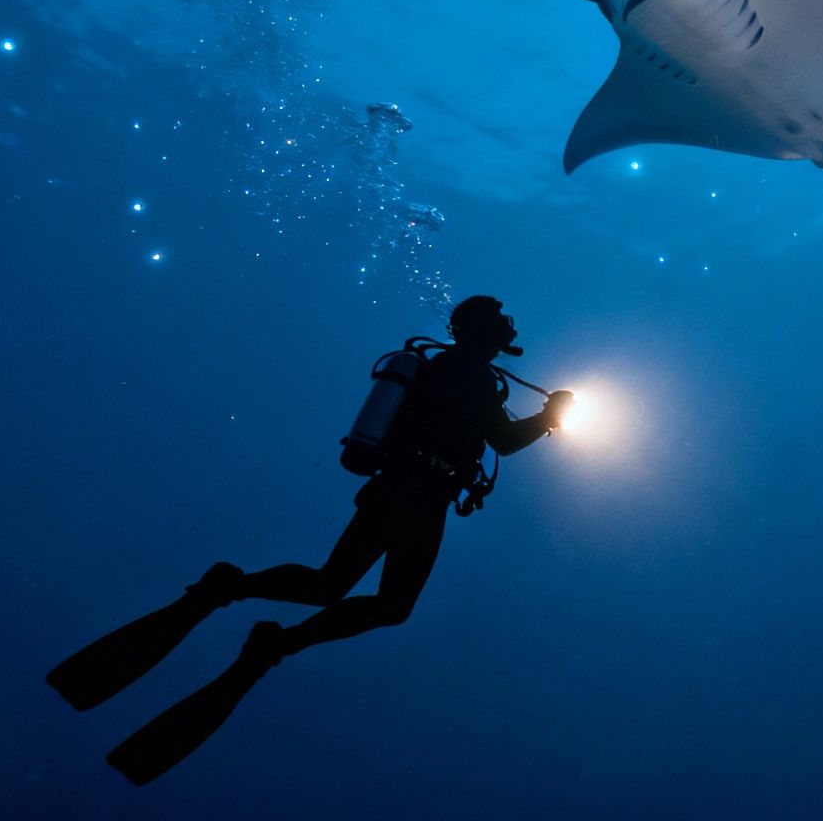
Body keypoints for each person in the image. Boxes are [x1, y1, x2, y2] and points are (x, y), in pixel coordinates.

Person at [47, 295, 571, 783]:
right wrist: (550, 417)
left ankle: (230, 592)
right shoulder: (471, 375)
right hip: (417, 495)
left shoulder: (449, 369)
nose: (511, 325)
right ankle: (271, 638)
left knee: (329, 583)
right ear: (483, 329)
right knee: (385, 604)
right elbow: (502, 439)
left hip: (399, 490)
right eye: (502, 319)